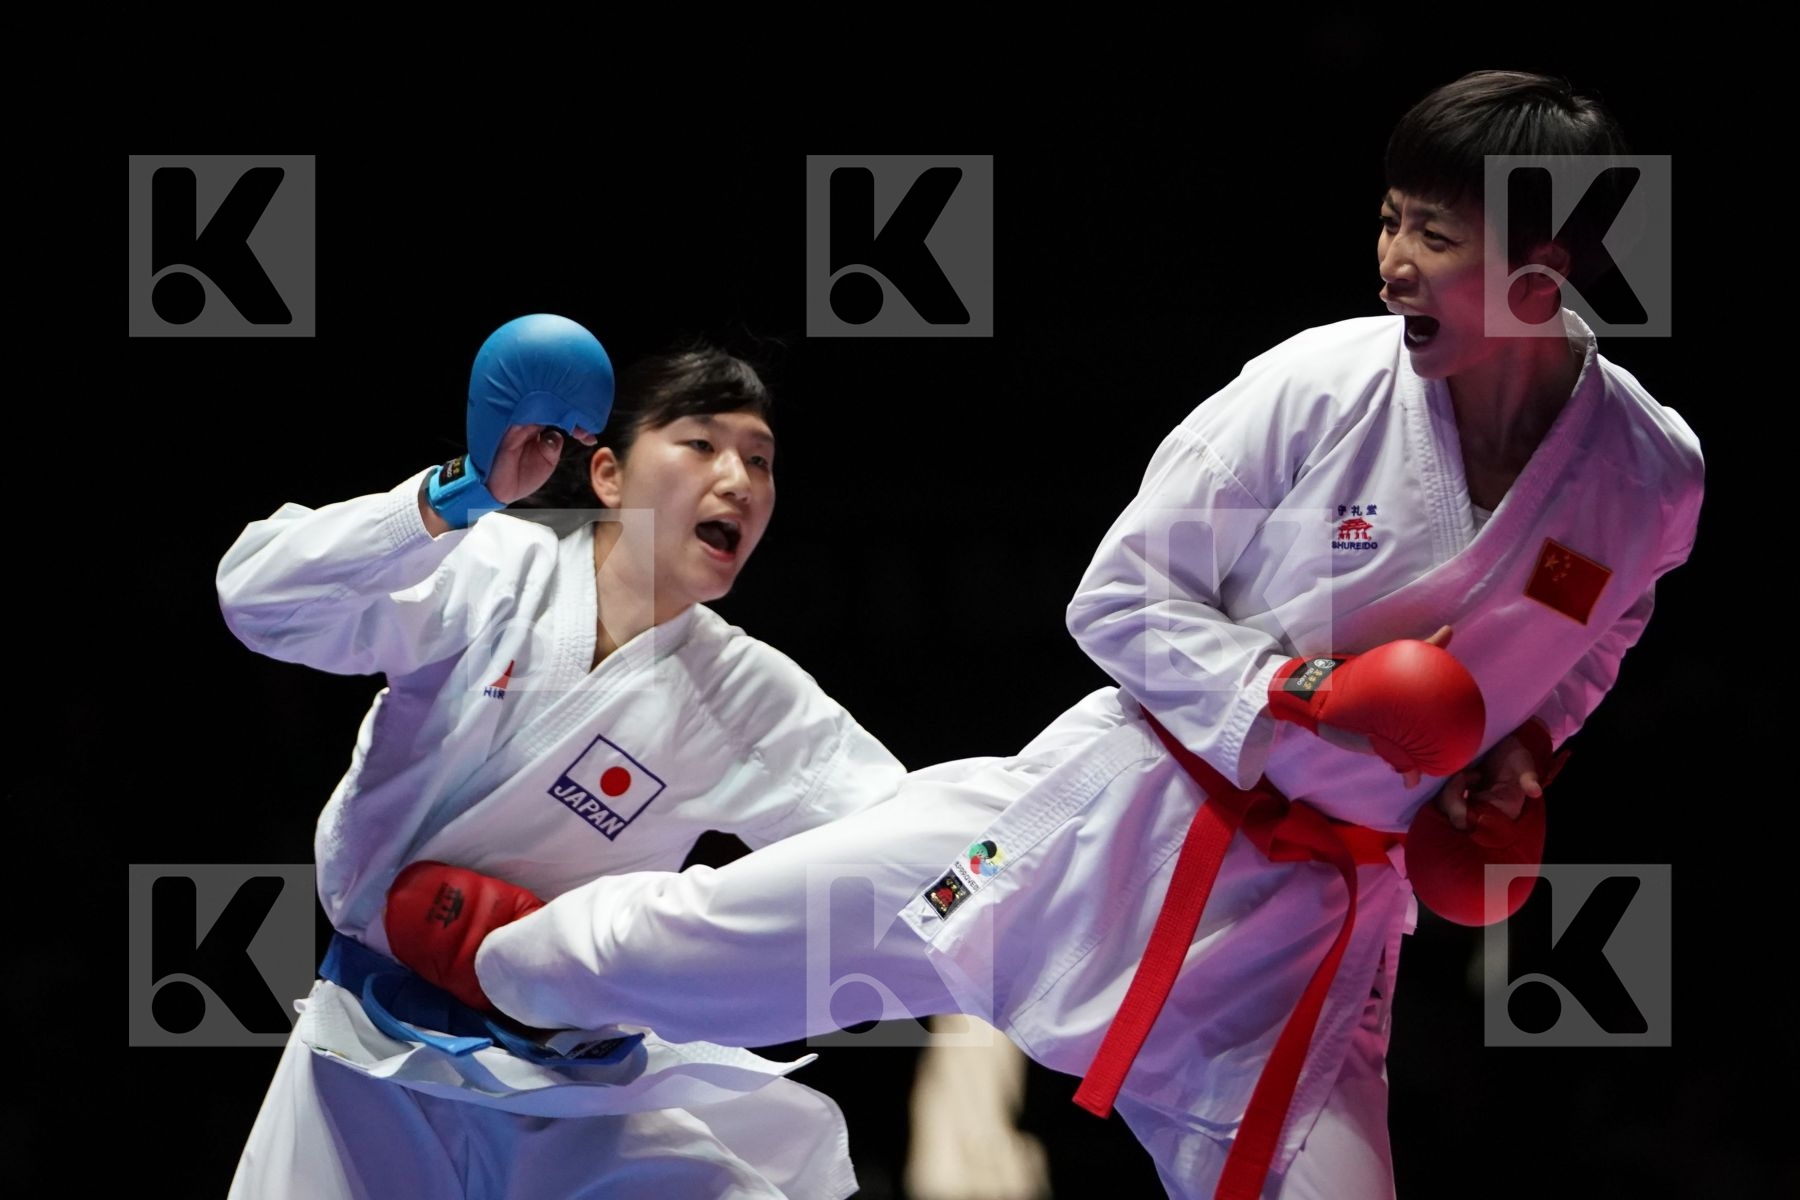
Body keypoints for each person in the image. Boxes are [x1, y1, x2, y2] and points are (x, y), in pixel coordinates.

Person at [386, 71, 1703, 1199]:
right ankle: (505, 955)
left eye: (1433, 236)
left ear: (1542, 276)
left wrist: (1530, 754)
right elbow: (1115, 599)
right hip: (1098, 827)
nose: (1390, 261)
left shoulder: (1651, 477)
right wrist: (1301, 692)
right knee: (748, 936)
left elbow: (1599, 639)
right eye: (1389, 219)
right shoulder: (1312, 392)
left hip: (1296, 940)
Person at [218, 317, 906, 1199]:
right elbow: (259, 598)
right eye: (701, 444)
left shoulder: (752, 698)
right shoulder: (493, 567)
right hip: (367, 1058)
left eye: (761, 460)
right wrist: (455, 495)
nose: (737, 480)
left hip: (576, 1096)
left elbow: (909, 847)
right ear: (608, 475)